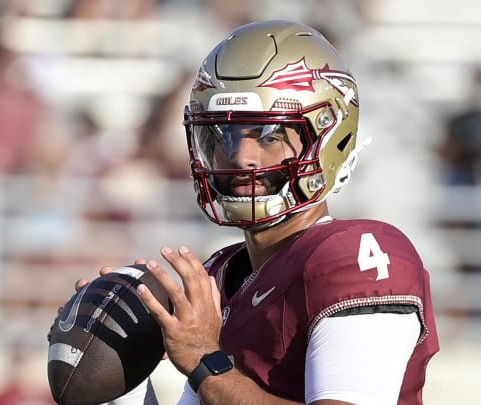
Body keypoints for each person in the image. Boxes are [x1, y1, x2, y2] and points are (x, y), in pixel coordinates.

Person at [78, 20, 439, 404]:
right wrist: (121, 376)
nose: (241, 156)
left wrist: (205, 362)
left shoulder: (360, 255)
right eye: (223, 135)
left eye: (270, 134)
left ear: (329, 137)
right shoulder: (220, 274)